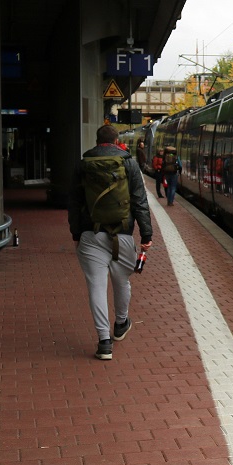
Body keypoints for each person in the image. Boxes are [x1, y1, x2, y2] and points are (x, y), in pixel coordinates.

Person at [68, 124, 153, 360]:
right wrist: (146, 235)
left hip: (90, 234)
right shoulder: (129, 162)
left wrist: (76, 233)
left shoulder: (82, 164)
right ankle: (121, 323)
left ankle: (104, 342)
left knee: (96, 286)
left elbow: (74, 202)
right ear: (116, 141)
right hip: (123, 234)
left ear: (97, 142)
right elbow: (139, 201)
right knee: (122, 281)